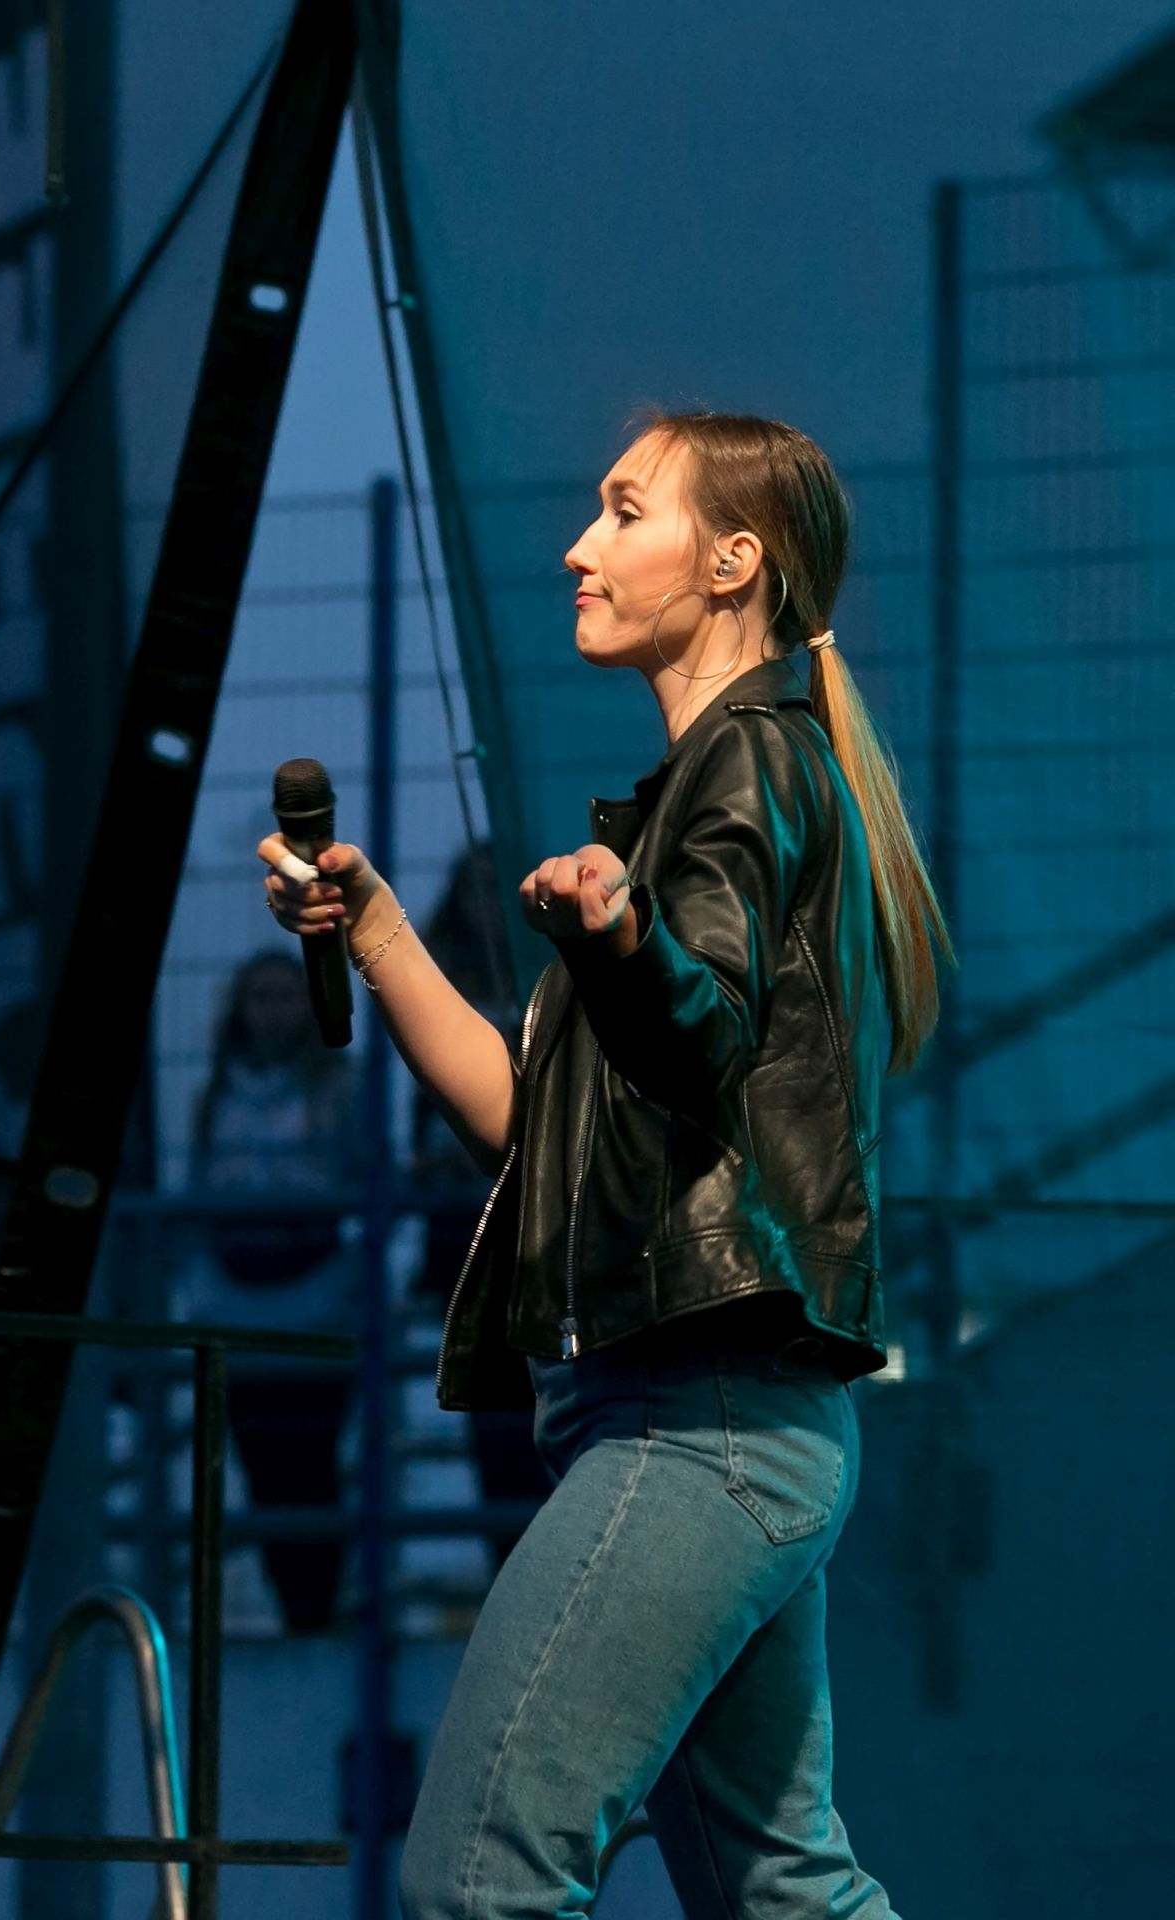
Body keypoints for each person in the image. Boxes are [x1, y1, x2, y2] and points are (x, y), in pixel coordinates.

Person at [259, 410, 955, 1916]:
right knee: (784, 1891)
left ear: (730, 562)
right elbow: (535, 1130)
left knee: (478, 1879)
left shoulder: (746, 762)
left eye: (626, 511)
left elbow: (694, 1029)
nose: (580, 546)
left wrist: (624, 940)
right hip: (724, 1419)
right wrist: (376, 930)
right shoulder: (729, 780)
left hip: (695, 1420)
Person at [188, 947, 364, 1632]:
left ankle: (317, 1608)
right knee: (261, 1468)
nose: (272, 1012)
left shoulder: (339, 1088)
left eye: (286, 996)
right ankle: (296, 1608)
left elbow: (363, 1179)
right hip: (236, 1303)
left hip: (316, 1298)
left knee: (312, 1462)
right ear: (239, 1009)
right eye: (259, 997)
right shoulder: (214, 1096)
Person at [407, 842, 549, 1573]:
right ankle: (508, 1563)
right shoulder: (438, 983)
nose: (489, 907)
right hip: (464, 1214)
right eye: (476, 891)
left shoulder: (551, 975)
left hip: (543, 1209)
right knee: (492, 1407)